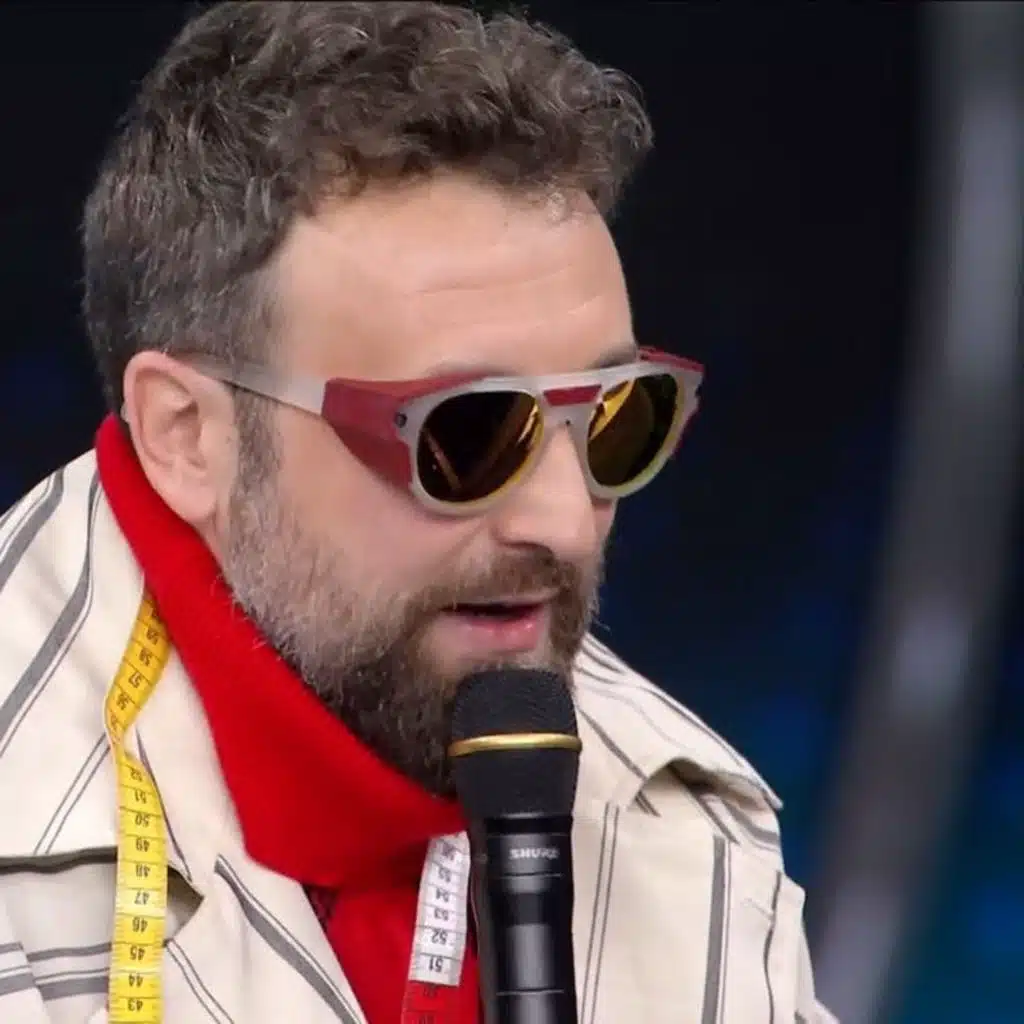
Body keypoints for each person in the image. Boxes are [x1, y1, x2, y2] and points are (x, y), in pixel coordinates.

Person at [0, 3, 836, 1022]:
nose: (566, 522)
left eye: (620, 417)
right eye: (467, 434)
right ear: (188, 435)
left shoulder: (699, 828)